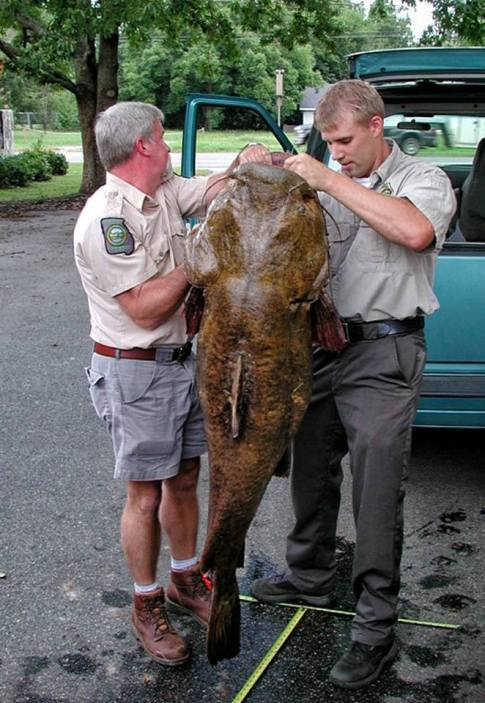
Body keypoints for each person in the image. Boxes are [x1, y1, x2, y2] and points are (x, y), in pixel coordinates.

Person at [251, 80, 456, 689]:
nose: (335, 151)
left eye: (344, 141)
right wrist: (254, 164)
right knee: (309, 469)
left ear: (375, 125)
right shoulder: (324, 173)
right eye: (327, 141)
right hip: (319, 346)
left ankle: (373, 629)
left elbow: (415, 233)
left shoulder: (423, 178)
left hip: (385, 351)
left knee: (375, 490)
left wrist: (330, 179)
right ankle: (308, 573)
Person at [74, 101, 270, 667]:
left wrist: (244, 165)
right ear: (142, 146)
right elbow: (145, 307)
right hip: (135, 368)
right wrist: (197, 258)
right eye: (162, 137)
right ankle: (146, 603)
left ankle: (187, 581)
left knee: (185, 479)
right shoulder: (107, 219)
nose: (167, 144)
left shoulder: (161, 190)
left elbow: (207, 193)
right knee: (145, 493)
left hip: (183, 362)